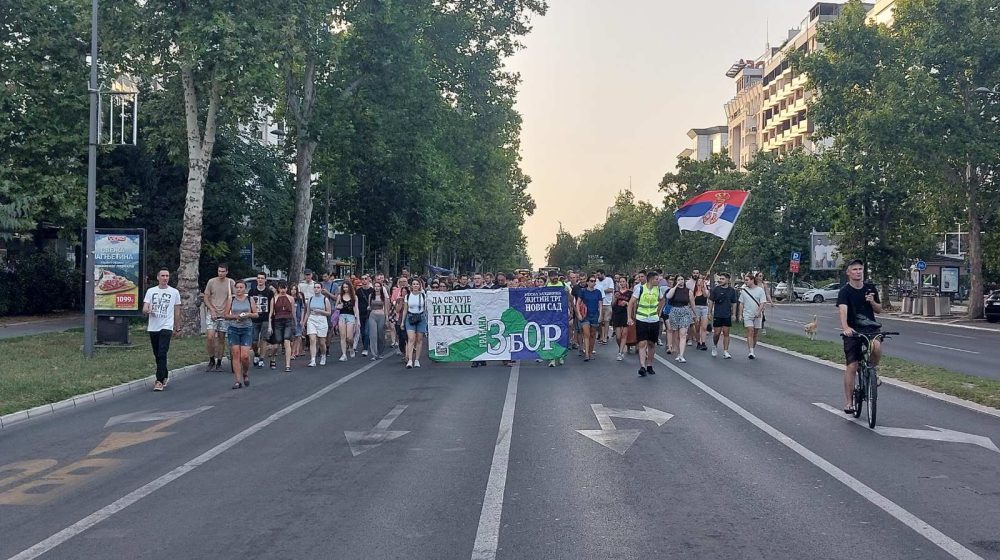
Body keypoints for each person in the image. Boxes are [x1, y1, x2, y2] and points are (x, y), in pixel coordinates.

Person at [838, 259, 883, 414]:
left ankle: (872, 371)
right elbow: (843, 310)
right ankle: (849, 402)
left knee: (876, 347)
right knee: (853, 365)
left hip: (870, 328)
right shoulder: (845, 291)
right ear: (849, 273)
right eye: (855, 269)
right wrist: (846, 328)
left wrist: (872, 302)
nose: (858, 272)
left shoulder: (870, 288)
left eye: (860, 269)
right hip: (853, 330)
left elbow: (879, 310)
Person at [143, 269, 182, 392]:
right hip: (153, 326)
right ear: (158, 277)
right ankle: (164, 374)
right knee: (157, 353)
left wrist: (177, 326)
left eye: (167, 276)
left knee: (162, 352)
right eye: (163, 276)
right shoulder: (151, 291)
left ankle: (159, 380)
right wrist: (147, 310)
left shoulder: (174, 292)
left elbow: (177, 311)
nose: (165, 278)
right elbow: (145, 307)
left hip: (166, 325)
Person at [628, 270, 665, 377]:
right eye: (657, 279)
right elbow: (631, 303)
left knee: (652, 344)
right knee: (642, 343)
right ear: (651, 279)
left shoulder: (657, 290)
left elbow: (662, 300)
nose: (658, 281)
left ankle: (650, 365)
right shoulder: (640, 288)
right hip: (641, 319)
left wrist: (658, 311)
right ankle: (642, 366)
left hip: (653, 319)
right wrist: (629, 317)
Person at [223, 280, 258, 389]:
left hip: (246, 328)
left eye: (241, 287)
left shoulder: (249, 299)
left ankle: (245, 373)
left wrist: (248, 314)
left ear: (244, 289)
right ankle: (237, 381)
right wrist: (235, 316)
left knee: (245, 356)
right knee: (236, 354)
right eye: (237, 287)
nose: (239, 290)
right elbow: (225, 315)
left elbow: (256, 314)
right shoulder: (231, 299)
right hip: (234, 328)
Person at [202, 264, 235, 372]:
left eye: (223, 271)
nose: (221, 273)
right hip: (213, 314)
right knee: (210, 337)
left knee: (221, 338)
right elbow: (206, 297)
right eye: (219, 271)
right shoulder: (211, 282)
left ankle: (219, 362)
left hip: (224, 315)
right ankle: (211, 359)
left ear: (227, 272)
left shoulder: (230, 283)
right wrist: (211, 309)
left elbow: (234, 297)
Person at [247, 272, 275, 369]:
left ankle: (262, 359)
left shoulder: (269, 292)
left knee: (263, 339)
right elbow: (249, 305)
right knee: (254, 341)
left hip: (265, 319)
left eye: (262, 278)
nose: (260, 280)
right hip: (254, 319)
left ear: (265, 280)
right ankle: (256, 354)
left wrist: (270, 320)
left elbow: (271, 307)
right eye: (258, 278)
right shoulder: (252, 291)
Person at [666, 274, 696, 363]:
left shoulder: (688, 291)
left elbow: (692, 303)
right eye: (678, 279)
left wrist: (695, 314)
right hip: (674, 311)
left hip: (685, 311)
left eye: (682, 279)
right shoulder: (673, 290)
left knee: (683, 334)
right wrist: (675, 286)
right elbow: (668, 296)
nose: (680, 281)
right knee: (676, 334)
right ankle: (678, 353)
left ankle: (682, 355)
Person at [709, 273, 738, 359]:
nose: (720, 280)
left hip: (727, 314)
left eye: (722, 279)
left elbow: (734, 303)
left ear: (728, 280)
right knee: (717, 333)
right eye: (720, 279)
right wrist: (709, 312)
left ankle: (725, 351)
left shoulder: (732, 291)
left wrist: (733, 314)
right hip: (718, 314)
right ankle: (714, 346)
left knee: (726, 333)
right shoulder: (715, 290)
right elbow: (711, 301)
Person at [738, 273, 768, 359]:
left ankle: (753, 347)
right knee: (750, 331)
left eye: (747, 280)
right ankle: (751, 351)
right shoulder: (744, 291)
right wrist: (740, 315)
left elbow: (763, 302)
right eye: (745, 280)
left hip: (757, 315)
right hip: (747, 314)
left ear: (752, 280)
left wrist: (759, 311)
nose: (745, 282)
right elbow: (741, 303)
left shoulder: (760, 290)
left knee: (755, 333)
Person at [270, 281, 296, 372]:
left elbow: (293, 312)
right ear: (278, 288)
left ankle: (287, 365)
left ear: (287, 288)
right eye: (281, 288)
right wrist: (270, 326)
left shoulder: (291, 298)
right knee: (276, 345)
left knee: (286, 341)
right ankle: (272, 357)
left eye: (284, 288)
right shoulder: (274, 299)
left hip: (288, 321)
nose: (283, 290)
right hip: (277, 322)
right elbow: (271, 314)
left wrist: (295, 323)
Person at [303, 283, 331, 367]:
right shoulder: (311, 299)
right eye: (315, 287)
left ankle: (323, 355)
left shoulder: (325, 299)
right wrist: (304, 323)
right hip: (312, 319)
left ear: (321, 289)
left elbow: (329, 313)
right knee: (312, 339)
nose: (316, 289)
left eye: (318, 287)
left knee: (322, 342)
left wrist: (321, 311)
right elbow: (307, 312)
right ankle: (313, 360)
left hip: (322, 319)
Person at [402, 278, 428, 369]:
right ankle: (409, 360)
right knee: (411, 338)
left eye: (417, 284)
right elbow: (405, 309)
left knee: (419, 339)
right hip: (410, 317)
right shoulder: (408, 296)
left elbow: (426, 309)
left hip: (420, 317)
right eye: (414, 284)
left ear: (420, 285)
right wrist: (402, 322)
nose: (415, 286)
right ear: (411, 286)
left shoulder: (423, 295)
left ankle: (417, 360)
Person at [578, 275, 603, 361]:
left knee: (593, 335)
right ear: (587, 282)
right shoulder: (583, 291)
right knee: (586, 334)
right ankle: (586, 354)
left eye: (594, 281)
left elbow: (600, 305)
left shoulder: (598, 292)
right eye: (591, 281)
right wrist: (578, 314)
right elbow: (578, 303)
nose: (593, 283)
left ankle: (590, 352)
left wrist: (600, 315)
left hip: (595, 315)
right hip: (585, 315)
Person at [335, 281, 360, 361]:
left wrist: (357, 320)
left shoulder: (354, 296)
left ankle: (351, 347)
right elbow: (336, 306)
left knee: (349, 337)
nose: (345, 289)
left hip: (351, 316)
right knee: (342, 336)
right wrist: (339, 306)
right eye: (344, 287)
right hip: (342, 316)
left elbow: (356, 309)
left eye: (347, 287)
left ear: (350, 287)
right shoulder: (340, 296)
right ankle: (344, 354)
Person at [367, 280, 390, 360]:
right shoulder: (371, 295)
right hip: (373, 315)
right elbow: (369, 306)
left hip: (381, 316)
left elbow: (386, 309)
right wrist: (369, 307)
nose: (376, 288)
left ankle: (380, 352)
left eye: (378, 286)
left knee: (380, 335)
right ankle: (374, 354)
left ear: (381, 287)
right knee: (373, 335)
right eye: (375, 286)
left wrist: (387, 318)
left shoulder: (383, 296)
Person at [611, 276, 632, 361]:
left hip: (625, 314)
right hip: (617, 314)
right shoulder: (616, 292)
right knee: (618, 336)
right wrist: (615, 298)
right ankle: (621, 348)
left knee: (624, 334)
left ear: (626, 282)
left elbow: (632, 304)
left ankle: (620, 352)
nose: (622, 283)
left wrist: (626, 303)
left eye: (624, 281)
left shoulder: (630, 293)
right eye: (621, 282)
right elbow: (612, 304)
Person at [595, 269, 615, 345]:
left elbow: (610, 289)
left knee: (606, 320)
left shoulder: (609, 280)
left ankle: (605, 337)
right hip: (598, 303)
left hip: (607, 303)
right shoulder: (596, 281)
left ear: (603, 274)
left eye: (599, 275)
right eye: (597, 275)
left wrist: (601, 291)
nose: (598, 276)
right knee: (599, 321)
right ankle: (601, 335)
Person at [356, 275, 374, 356]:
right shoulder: (358, 291)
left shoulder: (372, 290)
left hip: (369, 313)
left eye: (365, 279)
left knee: (367, 331)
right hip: (360, 313)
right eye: (362, 279)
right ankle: (365, 344)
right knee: (362, 332)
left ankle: (365, 348)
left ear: (368, 280)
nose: (364, 281)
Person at [693, 276, 710, 351]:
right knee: (697, 327)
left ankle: (703, 343)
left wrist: (703, 287)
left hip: (704, 308)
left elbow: (706, 295)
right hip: (696, 308)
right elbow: (691, 301)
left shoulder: (706, 290)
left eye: (701, 281)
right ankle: (698, 342)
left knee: (704, 327)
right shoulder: (694, 291)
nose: (700, 282)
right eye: (699, 281)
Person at [290, 284, 305, 359]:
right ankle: (291, 351)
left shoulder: (299, 299)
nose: (293, 291)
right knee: (290, 337)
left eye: (295, 289)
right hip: (289, 319)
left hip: (298, 319)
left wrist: (302, 319)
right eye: (292, 289)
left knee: (297, 336)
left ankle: (293, 353)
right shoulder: (288, 298)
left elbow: (302, 309)